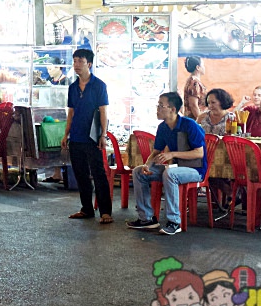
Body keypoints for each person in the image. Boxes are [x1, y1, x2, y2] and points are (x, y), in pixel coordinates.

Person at [127, 92, 207, 236]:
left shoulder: (190, 125)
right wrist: (147, 164)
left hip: (195, 170)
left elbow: (199, 153)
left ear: (173, 109)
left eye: (160, 105)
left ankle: (174, 222)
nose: (157, 108)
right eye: (157, 105)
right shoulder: (163, 127)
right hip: (176, 168)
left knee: (170, 173)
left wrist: (172, 154)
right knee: (138, 172)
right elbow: (156, 151)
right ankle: (146, 219)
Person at [60, 48, 112, 224]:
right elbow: (71, 112)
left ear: (89, 64)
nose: (76, 65)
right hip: (76, 136)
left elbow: (104, 112)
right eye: (74, 61)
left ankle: (105, 212)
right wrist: (66, 134)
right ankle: (86, 209)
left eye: (80, 61)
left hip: (92, 138)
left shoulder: (99, 85)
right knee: (81, 174)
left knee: (98, 174)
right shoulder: (73, 87)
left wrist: (103, 135)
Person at [182, 56, 206, 120]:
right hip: (194, 120)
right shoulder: (194, 83)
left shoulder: (192, 81)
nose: (204, 67)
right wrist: (201, 121)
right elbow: (193, 105)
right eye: (203, 65)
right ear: (198, 67)